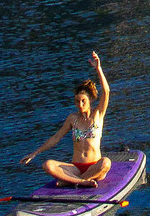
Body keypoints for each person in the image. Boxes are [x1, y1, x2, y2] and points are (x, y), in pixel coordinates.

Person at [22, 50, 111, 186]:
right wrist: (35, 153)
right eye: (77, 101)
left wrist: (98, 68)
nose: (79, 105)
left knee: (106, 162)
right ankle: (81, 181)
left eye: (83, 101)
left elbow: (106, 91)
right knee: (48, 165)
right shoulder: (72, 118)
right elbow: (56, 137)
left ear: (91, 100)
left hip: (95, 167)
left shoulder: (98, 114)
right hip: (75, 168)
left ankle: (71, 181)